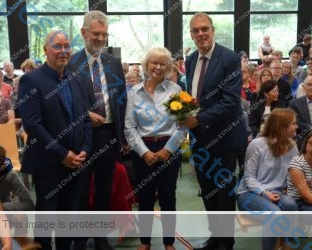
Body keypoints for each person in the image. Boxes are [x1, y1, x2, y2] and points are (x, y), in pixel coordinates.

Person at [18, 29, 92, 250]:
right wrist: (62, 155)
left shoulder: (77, 79)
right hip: (49, 164)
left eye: (67, 46)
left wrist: (85, 149)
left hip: (77, 163)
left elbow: (86, 119)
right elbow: (32, 124)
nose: (63, 51)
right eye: (57, 46)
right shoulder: (31, 80)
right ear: (45, 49)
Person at [183, 12, 247, 250]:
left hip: (225, 136)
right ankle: (215, 237)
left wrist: (197, 120)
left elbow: (230, 101)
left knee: (224, 190)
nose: (200, 34)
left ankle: (226, 242)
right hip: (200, 138)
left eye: (204, 29)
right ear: (191, 34)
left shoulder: (229, 58)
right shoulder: (190, 61)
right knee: (207, 189)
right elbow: (194, 98)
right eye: (195, 30)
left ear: (213, 30)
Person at [68, 10, 127, 250]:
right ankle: (80, 239)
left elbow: (121, 100)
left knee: (104, 188)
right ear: (84, 33)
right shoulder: (71, 63)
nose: (101, 39)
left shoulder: (113, 63)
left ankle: (101, 237)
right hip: (80, 136)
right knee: (80, 190)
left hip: (108, 135)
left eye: (105, 34)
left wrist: (123, 137)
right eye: (96, 34)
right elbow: (64, 102)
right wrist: (84, 115)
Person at [125, 47, 186, 250]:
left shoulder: (175, 91)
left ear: (168, 67)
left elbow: (183, 125)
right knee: (145, 198)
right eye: (154, 62)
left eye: (163, 63)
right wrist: (144, 152)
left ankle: (169, 243)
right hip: (143, 151)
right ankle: (145, 242)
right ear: (146, 65)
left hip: (169, 149)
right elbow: (129, 127)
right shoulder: (134, 93)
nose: (158, 67)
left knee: (168, 197)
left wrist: (168, 150)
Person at [237, 108, 299, 250]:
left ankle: (287, 246)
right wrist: (264, 193)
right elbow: (248, 177)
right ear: (282, 127)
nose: (297, 126)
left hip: (276, 191)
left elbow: (293, 174)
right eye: (293, 123)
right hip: (249, 193)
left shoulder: (292, 146)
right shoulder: (257, 144)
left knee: (291, 206)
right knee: (275, 214)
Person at [0, 143, 40, 249]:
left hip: (1, 214)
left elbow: (29, 204)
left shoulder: (10, 176)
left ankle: (21, 244)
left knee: (20, 217)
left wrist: (1, 207)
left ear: (1, 166)